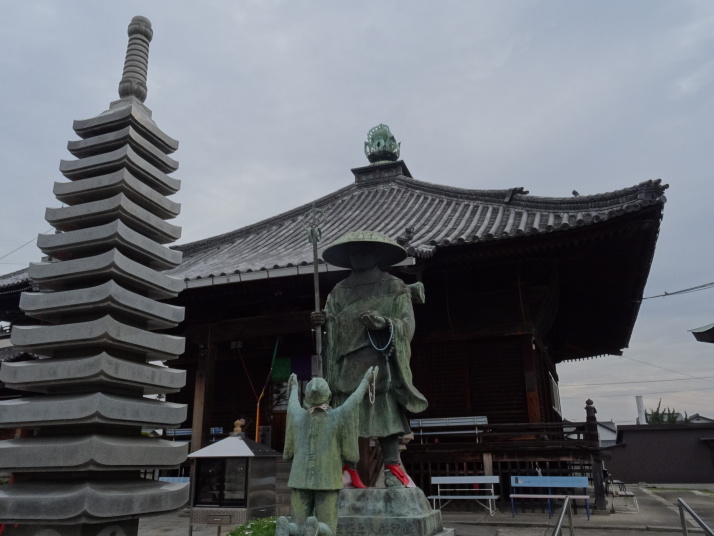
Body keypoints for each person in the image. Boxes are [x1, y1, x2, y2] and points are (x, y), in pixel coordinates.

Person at [312, 230, 428, 488]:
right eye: (353, 252)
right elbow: (331, 322)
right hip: (347, 363)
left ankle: (393, 467)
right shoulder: (338, 291)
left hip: (378, 360)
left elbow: (406, 324)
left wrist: (384, 324)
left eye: (364, 251)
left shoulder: (394, 286)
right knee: (347, 416)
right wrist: (323, 322)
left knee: (385, 412)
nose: (358, 256)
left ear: (377, 254)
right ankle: (347, 470)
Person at [277, 368, 377, 536]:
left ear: (307, 399)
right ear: (329, 396)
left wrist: (294, 387)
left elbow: (292, 404)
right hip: (327, 480)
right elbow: (354, 401)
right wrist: (366, 380)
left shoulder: (298, 416)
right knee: (329, 526)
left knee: (297, 524)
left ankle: (288, 527)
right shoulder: (338, 415)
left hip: (299, 478)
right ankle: (318, 527)